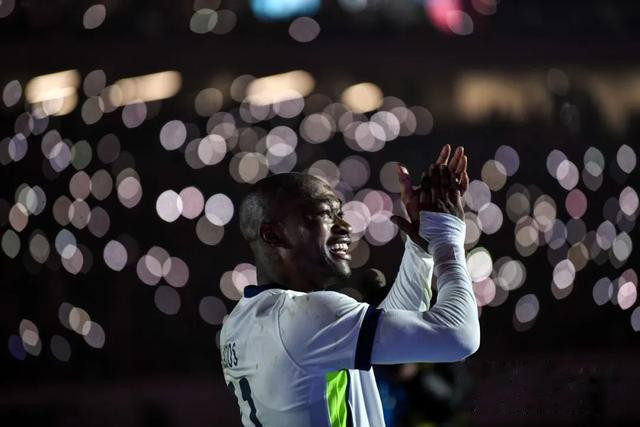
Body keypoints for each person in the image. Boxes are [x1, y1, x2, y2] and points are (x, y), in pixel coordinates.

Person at [220, 144, 480, 427]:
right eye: (325, 214)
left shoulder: (240, 323)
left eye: (340, 214)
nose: (345, 227)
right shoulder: (304, 315)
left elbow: (393, 331)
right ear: (273, 234)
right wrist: (447, 237)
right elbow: (459, 336)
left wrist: (419, 252)